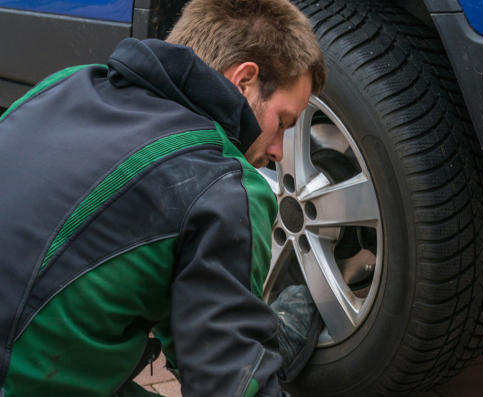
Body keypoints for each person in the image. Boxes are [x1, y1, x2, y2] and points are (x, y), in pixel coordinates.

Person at [0, 0, 326, 395]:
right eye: (283, 122)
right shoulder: (221, 182)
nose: (278, 150)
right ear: (244, 81)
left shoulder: (65, 85)